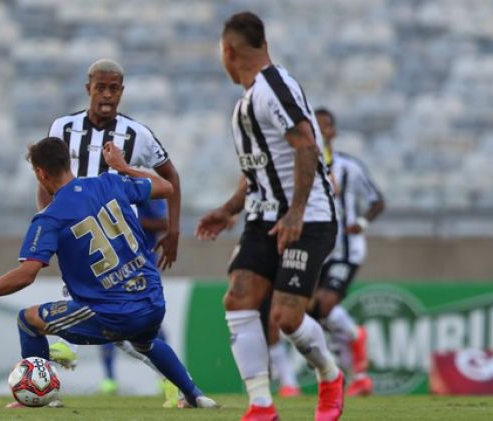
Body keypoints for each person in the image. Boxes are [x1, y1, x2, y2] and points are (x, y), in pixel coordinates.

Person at [0, 138, 217, 410]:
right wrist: (122, 166)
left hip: (111, 313)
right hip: (152, 301)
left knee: (28, 320)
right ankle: (194, 395)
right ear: (67, 163)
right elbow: (166, 187)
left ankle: (38, 398)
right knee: (145, 341)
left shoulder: (50, 218)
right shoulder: (108, 182)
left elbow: (26, 275)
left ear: (41, 173)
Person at [196, 12, 343, 421]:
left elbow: (307, 146)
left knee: (286, 318)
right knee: (239, 297)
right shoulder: (247, 102)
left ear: (228, 51)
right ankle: (261, 406)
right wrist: (228, 210)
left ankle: (330, 376)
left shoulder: (272, 89)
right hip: (263, 218)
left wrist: (295, 214)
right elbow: (259, 172)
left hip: (307, 218)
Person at [39, 59, 183, 406]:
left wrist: (173, 231)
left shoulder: (138, 135)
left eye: (113, 88)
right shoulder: (63, 127)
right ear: (88, 87)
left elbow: (171, 177)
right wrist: (46, 217)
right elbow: (45, 174)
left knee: (128, 321)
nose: (106, 95)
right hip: (79, 230)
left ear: (122, 90)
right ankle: (57, 367)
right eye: (100, 87)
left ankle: (172, 380)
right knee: (100, 312)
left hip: (120, 238)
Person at [312, 107, 385, 396]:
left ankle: (347, 358)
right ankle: (358, 367)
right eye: (314, 126)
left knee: (324, 306)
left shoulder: (348, 167)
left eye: (324, 126)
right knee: (312, 313)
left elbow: (378, 200)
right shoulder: (301, 166)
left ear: (333, 132)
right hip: (319, 249)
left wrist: (362, 222)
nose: (320, 131)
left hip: (346, 250)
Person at [97, 197, 180, 407]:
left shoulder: (141, 187)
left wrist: (124, 219)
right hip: (112, 268)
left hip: (142, 267)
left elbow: (163, 223)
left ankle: (169, 377)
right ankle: (109, 379)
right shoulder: (104, 186)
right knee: (105, 320)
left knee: (150, 324)